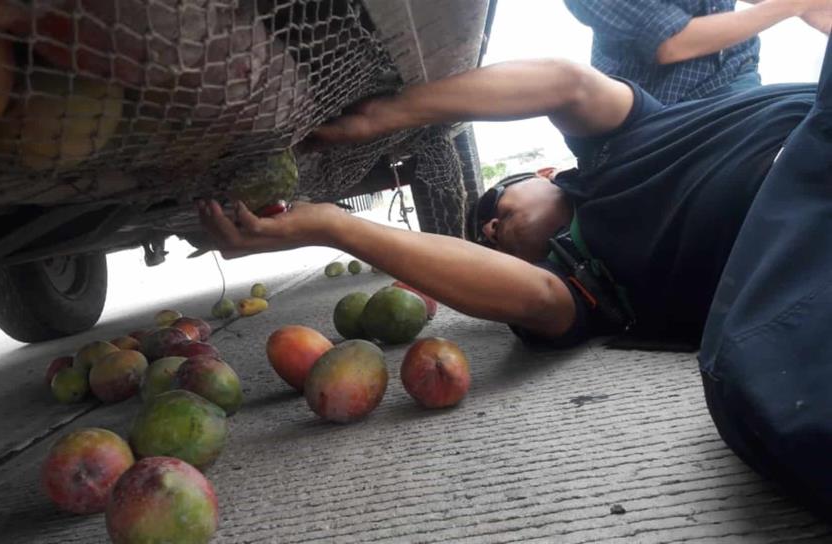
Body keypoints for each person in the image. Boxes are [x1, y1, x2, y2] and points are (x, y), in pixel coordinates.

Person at [197, 36, 832, 517]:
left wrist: (381, 117)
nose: (491, 227)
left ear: (547, 174)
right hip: (811, 251)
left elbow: (565, 83)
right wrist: (335, 226)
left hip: (816, 130)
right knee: (775, 418)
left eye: (494, 205)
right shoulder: (589, 286)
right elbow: (530, 296)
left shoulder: (624, 140)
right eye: (486, 237)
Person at [564, 0, 832, 103]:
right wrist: (794, 5)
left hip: (738, 73)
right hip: (665, 109)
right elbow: (673, 42)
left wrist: (811, 8)